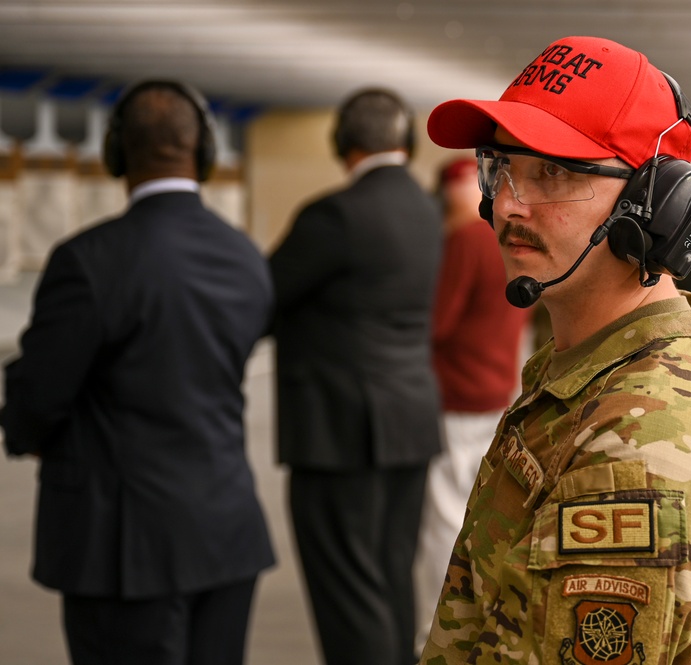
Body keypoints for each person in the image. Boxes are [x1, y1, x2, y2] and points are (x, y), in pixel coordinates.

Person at [419, 35, 691, 665]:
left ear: (654, 206)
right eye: (500, 167)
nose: (505, 204)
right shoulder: (586, 372)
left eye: (552, 172)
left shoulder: (643, 440)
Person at [0, 80, 275, 665]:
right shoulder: (245, 256)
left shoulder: (90, 259)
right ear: (201, 154)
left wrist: (28, 433)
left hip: (125, 549)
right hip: (226, 535)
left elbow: (41, 394)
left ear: (116, 154)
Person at [268, 88, 442, 665]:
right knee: (390, 577)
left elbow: (262, 298)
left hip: (340, 433)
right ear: (408, 142)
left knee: (348, 590)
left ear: (342, 142)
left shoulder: (334, 214)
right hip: (411, 423)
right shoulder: (427, 209)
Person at [412, 157, 530, 653]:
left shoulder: (463, 241)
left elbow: (437, 323)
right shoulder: (505, 240)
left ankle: (433, 633)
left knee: (443, 519)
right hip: (496, 390)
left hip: (457, 395)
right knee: (478, 513)